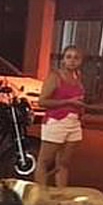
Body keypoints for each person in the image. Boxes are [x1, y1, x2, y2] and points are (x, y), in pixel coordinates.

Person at [35, 45, 85, 187]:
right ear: (63, 60)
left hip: (74, 123)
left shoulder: (78, 76)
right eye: (68, 57)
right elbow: (42, 101)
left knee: (63, 163)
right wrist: (68, 102)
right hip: (56, 121)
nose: (72, 61)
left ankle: (61, 194)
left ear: (81, 61)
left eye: (76, 58)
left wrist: (81, 110)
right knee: (45, 161)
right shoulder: (55, 77)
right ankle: (40, 193)